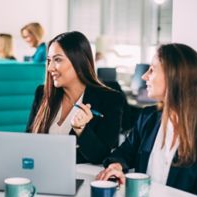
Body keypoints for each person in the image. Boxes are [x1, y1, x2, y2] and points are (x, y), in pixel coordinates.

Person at [97, 43, 197, 197]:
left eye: (152, 70)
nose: (144, 76)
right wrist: (117, 166)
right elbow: (124, 153)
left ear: (174, 77)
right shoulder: (148, 117)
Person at [26, 31, 125, 164]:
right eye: (49, 60)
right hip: (41, 172)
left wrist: (82, 130)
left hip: (82, 177)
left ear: (79, 61)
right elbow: (27, 140)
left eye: (58, 60)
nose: (50, 68)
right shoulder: (42, 94)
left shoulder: (110, 99)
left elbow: (101, 156)